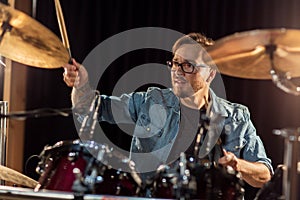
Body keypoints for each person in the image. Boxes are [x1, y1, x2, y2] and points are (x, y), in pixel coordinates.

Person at [63, 32, 273, 198]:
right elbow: (93, 107)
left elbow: (264, 175)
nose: (177, 71)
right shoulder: (152, 101)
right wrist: (81, 85)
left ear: (210, 73)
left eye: (188, 65)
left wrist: (237, 164)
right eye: (175, 63)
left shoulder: (236, 116)